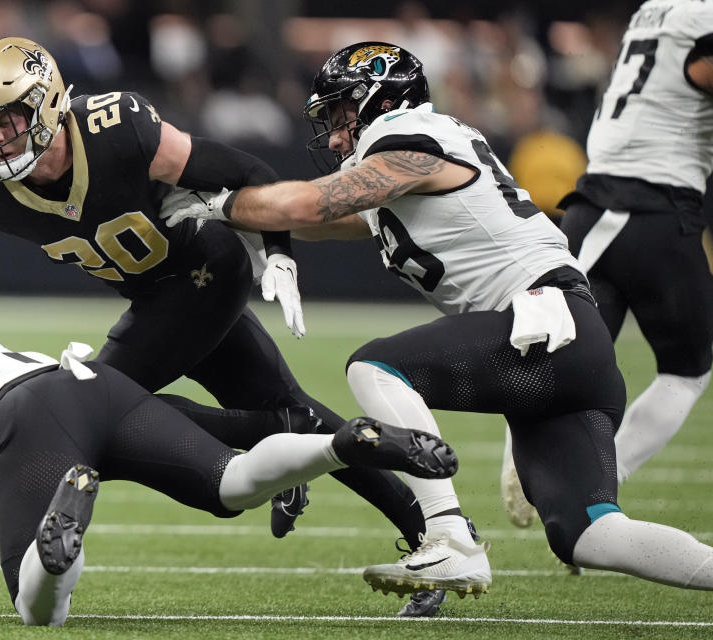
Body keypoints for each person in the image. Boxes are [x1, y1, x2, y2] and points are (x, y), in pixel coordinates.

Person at [0, 37, 431, 555]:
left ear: (47, 102)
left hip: (206, 270)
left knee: (83, 414)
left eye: (11, 118)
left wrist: (280, 253)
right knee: (291, 409)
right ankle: (431, 529)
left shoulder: (115, 127)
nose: (2, 139)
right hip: (160, 298)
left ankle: (272, 446)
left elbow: (241, 170)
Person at [161, 41, 713, 594]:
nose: (332, 135)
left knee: (374, 367)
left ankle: (450, 537)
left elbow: (308, 204)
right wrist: (239, 221)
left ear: (380, 99)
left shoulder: (408, 139)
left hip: (542, 323)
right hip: (566, 342)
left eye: (340, 113)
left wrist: (217, 205)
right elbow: (330, 222)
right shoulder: (419, 153)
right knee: (591, 535)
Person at [0, 320, 458, 626]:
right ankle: (339, 446)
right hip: (89, 384)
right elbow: (24, 488)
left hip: (34, 417)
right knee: (232, 484)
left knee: (39, 611)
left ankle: (67, 535)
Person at [556, 0, 713, 489]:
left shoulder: (656, 10)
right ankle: (598, 480)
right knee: (687, 370)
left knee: (564, 360)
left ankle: (559, 476)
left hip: (593, 204)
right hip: (647, 209)